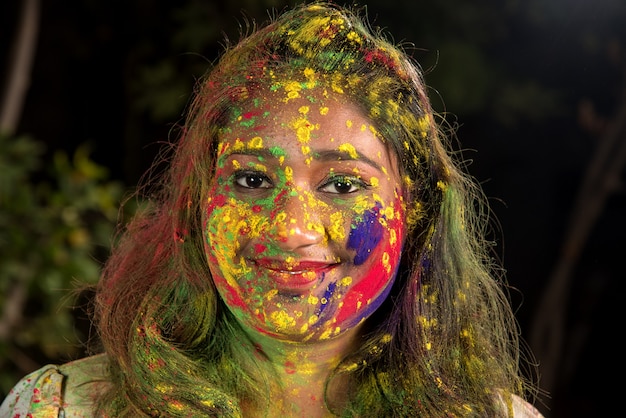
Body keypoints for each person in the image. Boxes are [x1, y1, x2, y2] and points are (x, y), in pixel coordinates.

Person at [1, 2, 543, 417]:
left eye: (343, 185)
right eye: (252, 179)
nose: (291, 229)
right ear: (198, 202)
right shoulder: (62, 408)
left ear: (414, 209)